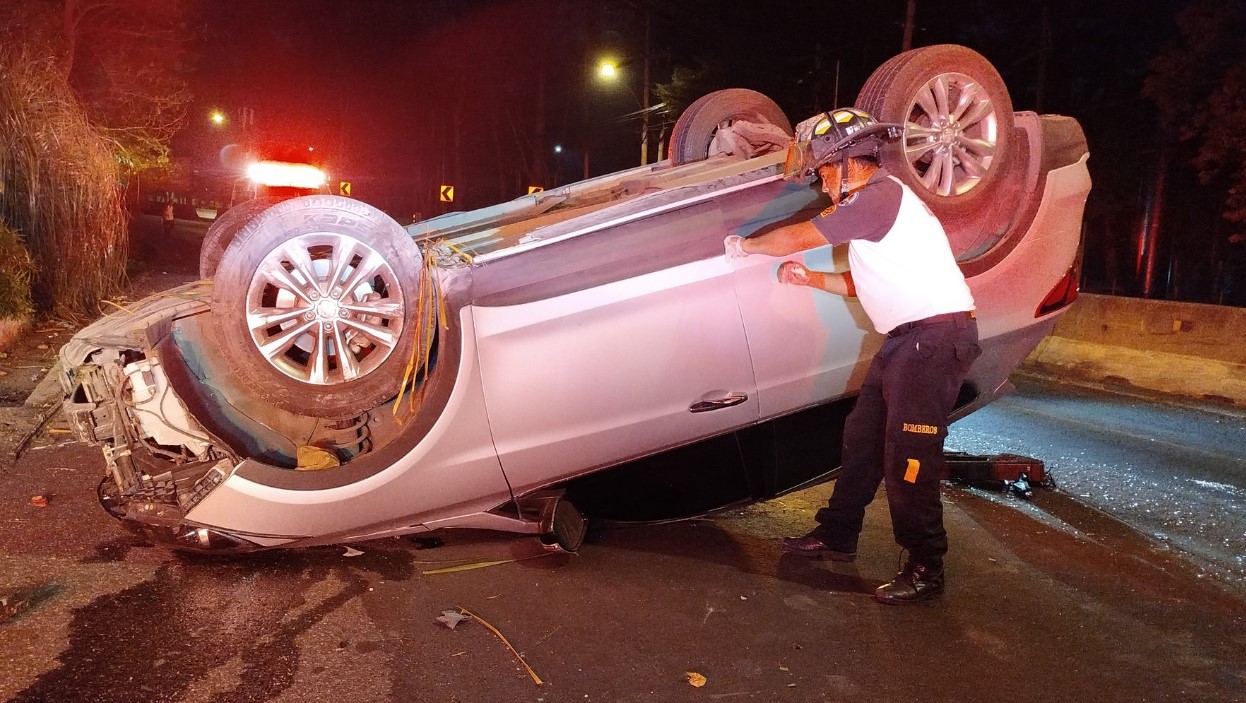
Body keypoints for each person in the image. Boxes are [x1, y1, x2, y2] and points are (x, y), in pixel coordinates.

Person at [724, 108, 980, 604]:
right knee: (862, 438)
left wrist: (744, 245)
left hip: (935, 339)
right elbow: (861, 285)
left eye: (822, 171)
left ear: (846, 163)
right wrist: (810, 279)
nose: (820, 183)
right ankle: (838, 534)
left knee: (908, 456)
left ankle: (927, 564)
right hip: (910, 340)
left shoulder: (879, 197)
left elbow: (799, 235)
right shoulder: (876, 211)